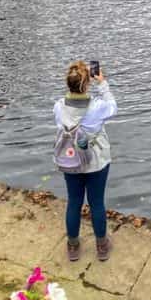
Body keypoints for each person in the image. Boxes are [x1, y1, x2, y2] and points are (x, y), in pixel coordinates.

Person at [54, 60, 117, 262]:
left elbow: (60, 125)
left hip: (70, 159)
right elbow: (113, 108)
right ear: (87, 83)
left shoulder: (59, 106)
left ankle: (73, 246)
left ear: (68, 84)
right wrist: (103, 83)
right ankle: (101, 246)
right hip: (95, 161)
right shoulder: (97, 107)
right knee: (96, 203)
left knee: (74, 201)